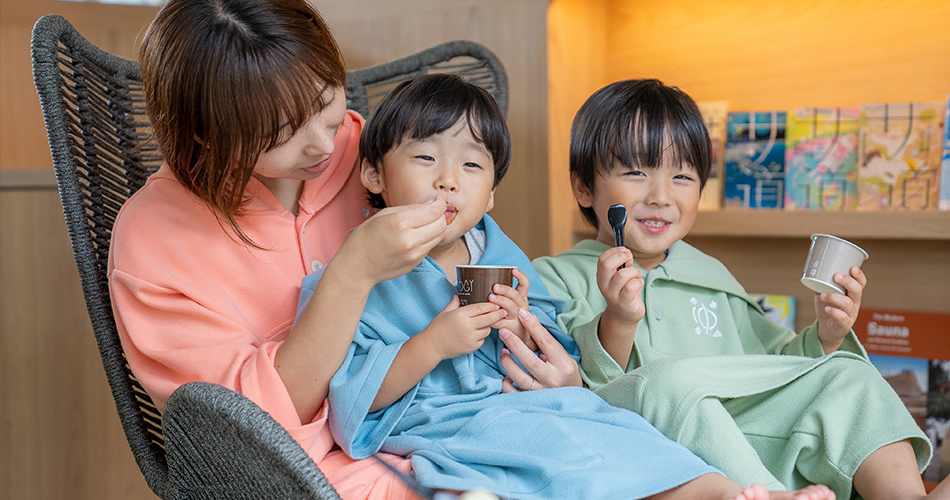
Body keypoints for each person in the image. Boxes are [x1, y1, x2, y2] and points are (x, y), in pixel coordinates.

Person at [304, 73, 836, 500]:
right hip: (449, 422)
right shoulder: (352, 276)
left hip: (533, 404)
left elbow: (552, 355)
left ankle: (728, 492)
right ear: (373, 174)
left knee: (620, 430)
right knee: (552, 452)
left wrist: (521, 328)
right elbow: (350, 400)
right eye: (425, 158)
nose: (449, 180)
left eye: (471, 165)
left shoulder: (502, 259)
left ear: (489, 197)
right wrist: (432, 345)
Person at [532, 79, 946, 500]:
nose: (660, 196)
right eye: (636, 172)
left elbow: (773, 368)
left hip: (744, 433)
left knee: (849, 372)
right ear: (584, 186)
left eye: (682, 176)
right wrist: (618, 320)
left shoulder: (709, 272)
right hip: (652, 450)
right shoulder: (554, 277)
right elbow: (580, 394)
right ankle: (767, 496)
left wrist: (827, 335)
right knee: (665, 381)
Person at [109, 0, 454, 498]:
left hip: (447, 423)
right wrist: (352, 273)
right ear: (207, 134)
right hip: (312, 479)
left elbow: (473, 251)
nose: (321, 144)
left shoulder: (374, 154)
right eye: (280, 133)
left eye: (324, 101)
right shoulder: (155, 241)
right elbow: (252, 443)